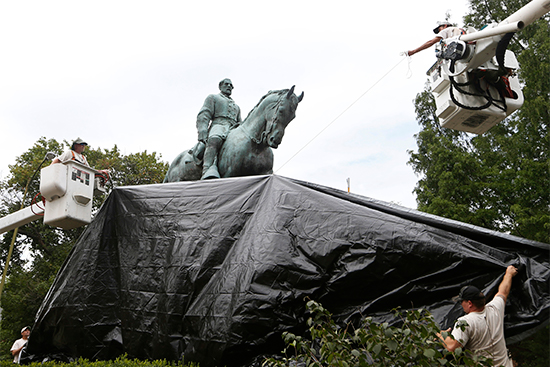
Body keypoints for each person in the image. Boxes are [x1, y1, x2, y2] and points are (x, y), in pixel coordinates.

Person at [438, 265, 518, 366]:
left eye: (462, 301)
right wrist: (509, 274)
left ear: (470, 303)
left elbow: (452, 347)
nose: (461, 304)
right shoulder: (495, 309)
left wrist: (439, 335)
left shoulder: (465, 322)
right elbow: (503, 291)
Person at [195, 78, 242, 180]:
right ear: (220, 86)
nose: (229, 86)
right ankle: (207, 169)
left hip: (233, 128)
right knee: (215, 139)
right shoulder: (213, 97)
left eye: (231, 85)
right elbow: (204, 114)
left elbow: (240, 122)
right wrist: (202, 130)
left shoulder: (237, 107)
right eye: (226, 84)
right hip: (218, 124)